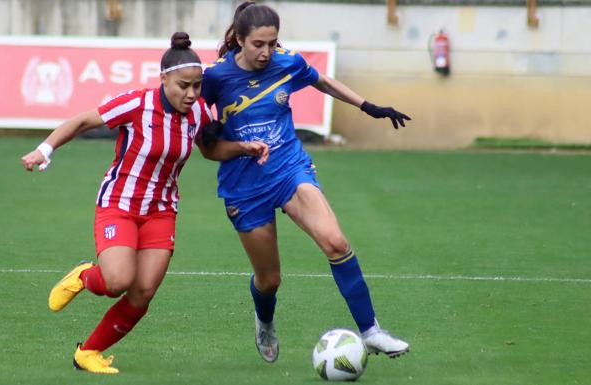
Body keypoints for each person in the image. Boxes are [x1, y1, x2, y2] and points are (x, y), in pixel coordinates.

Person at [21, 32, 268, 374]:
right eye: (184, 85)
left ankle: (88, 352)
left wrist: (244, 148)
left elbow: (210, 149)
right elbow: (81, 121)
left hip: (162, 210)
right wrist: (43, 150)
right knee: (117, 281)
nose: (192, 93)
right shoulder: (137, 104)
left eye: (197, 86)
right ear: (164, 78)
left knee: (143, 292)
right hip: (119, 204)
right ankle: (84, 276)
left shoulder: (197, 112)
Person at [198, 1, 411, 363]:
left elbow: (322, 80)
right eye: (258, 45)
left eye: (273, 43)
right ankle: (264, 320)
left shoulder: (288, 62)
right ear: (239, 39)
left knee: (336, 242)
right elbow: (207, 149)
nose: (267, 52)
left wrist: (368, 106)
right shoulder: (214, 79)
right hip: (244, 186)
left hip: (288, 168)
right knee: (269, 280)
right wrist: (227, 141)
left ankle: (371, 331)